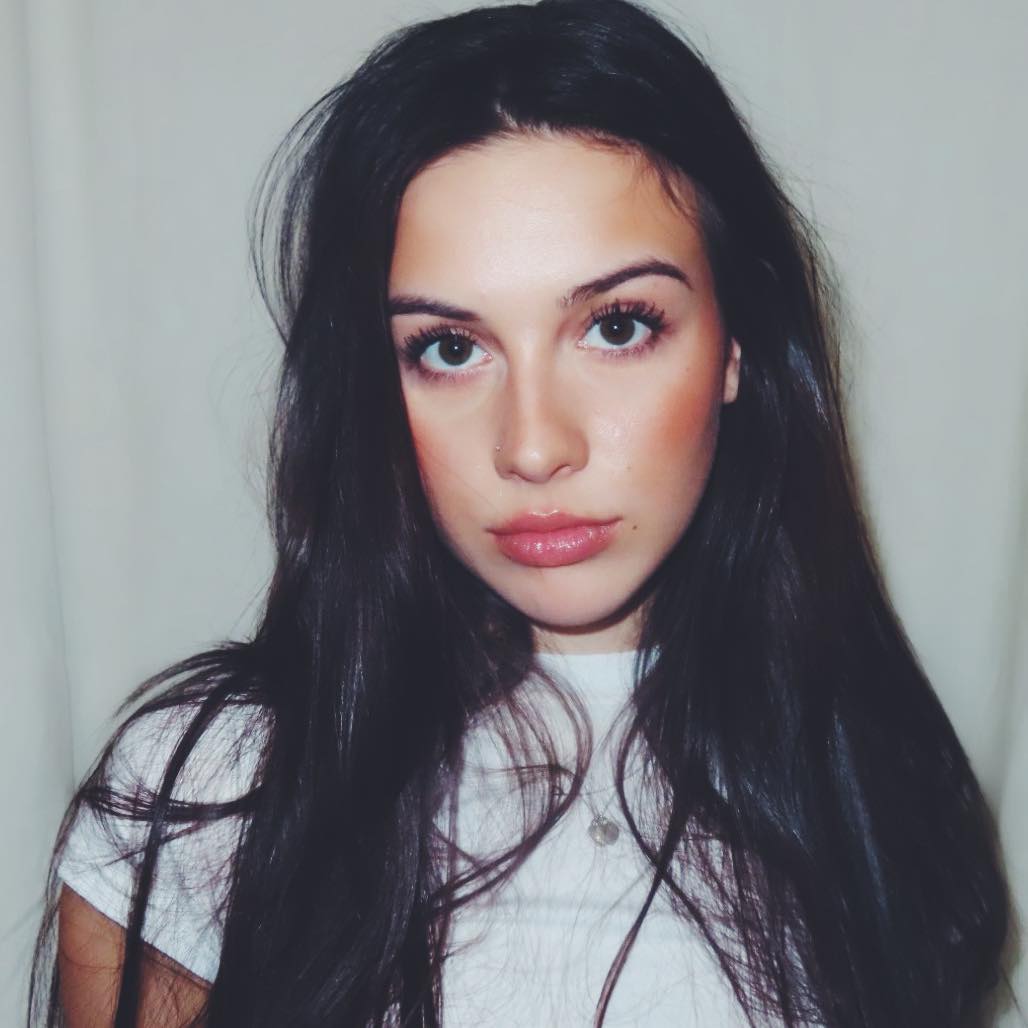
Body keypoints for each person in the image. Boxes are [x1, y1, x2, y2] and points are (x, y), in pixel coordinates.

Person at [28, 0, 1012, 1025]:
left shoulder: (875, 791)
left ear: (736, 347)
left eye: (617, 326)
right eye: (449, 348)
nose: (534, 446)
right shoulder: (211, 793)